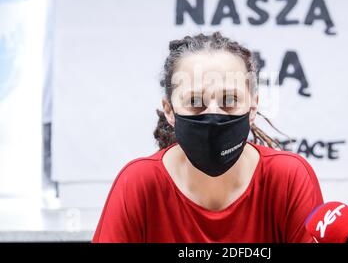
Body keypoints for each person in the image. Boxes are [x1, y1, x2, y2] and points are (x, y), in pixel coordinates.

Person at [92, 32, 323, 243]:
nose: (214, 114)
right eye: (194, 102)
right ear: (169, 110)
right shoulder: (139, 183)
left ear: (253, 107)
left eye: (230, 100)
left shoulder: (288, 177)